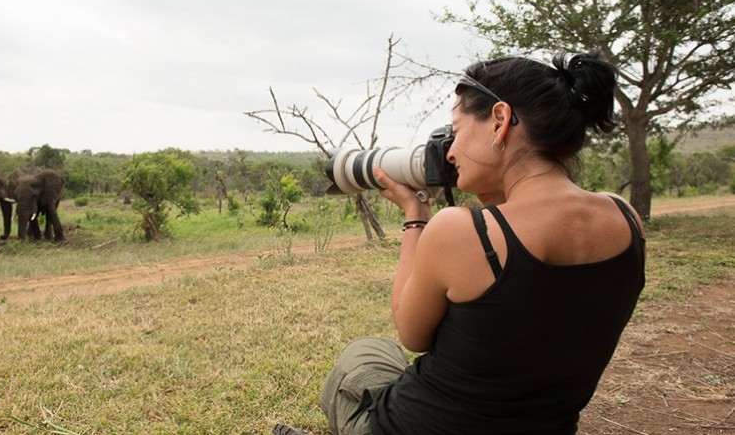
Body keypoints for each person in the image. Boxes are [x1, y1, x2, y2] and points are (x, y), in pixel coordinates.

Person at [274, 51, 646, 435]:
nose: (450, 152)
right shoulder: (625, 219)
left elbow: (412, 334)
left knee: (366, 353)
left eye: (457, 130)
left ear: (499, 120)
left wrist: (415, 215)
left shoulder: (464, 231)